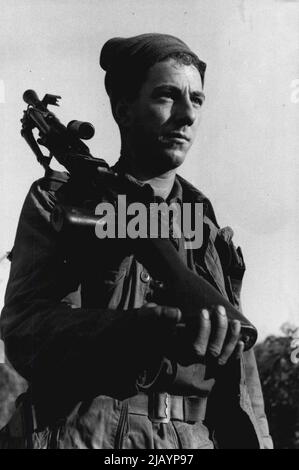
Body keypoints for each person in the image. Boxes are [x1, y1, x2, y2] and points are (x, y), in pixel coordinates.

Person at [0, 33, 273, 449]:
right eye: (167, 96)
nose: (187, 115)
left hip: (190, 443)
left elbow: (244, 381)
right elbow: (24, 331)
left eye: (197, 100)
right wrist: (133, 331)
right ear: (123, 109)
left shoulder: (207, 229)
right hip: (84, 436)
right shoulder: (65, 203)